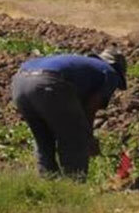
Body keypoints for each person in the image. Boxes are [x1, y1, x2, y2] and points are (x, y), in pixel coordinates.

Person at [10, 49, 127, 179]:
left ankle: (48, 183)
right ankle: (74, 184)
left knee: (43, 139)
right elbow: (90, 107)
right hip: (48, 83)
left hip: (19, 82)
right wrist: (87, 136)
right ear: (118, 68)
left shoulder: (83, 65)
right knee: (75, 138)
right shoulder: (110, 72)